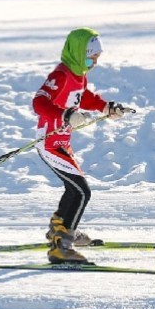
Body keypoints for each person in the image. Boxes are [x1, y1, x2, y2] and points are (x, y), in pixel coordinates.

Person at [32, 27, 131, 263]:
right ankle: (61, 247)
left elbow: (83, 96)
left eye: (96, 58)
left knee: (73, 189)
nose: (94, 62)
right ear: (78, 52)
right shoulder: (61, 75)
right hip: (49, 142)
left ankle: (60, 229)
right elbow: (39, 102)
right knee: (81, 191)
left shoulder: (78, 74)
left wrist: (106, 107)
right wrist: (65, 116)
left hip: (61, 143)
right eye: (91, 57)